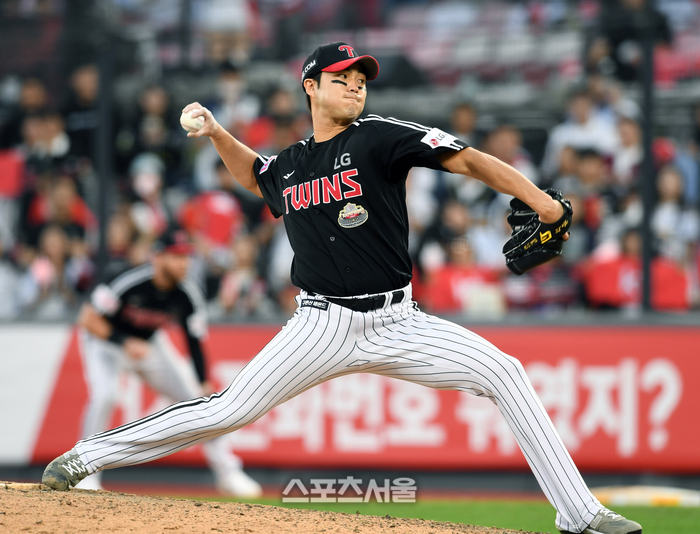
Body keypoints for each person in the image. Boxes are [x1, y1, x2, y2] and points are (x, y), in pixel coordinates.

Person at [43, 42, 641, 534]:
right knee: (229, 409)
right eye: (342, 78)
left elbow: (467, 159)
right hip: (320, 324)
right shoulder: (292, 164)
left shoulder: (379, 136)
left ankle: (580, 514)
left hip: (399, 321)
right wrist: (220, 132)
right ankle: (85, 456)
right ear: (311, 86)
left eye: (361, 80)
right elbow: (257, 176)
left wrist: (542, 203)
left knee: (505, 372)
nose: (355, 86)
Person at [65, 228, 262, 497]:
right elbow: (88, 319)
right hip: (106, 343)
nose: (184, 263)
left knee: (199, 402)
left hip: (150, 345)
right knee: (105, 396)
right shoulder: (130, 280)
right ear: (158, 257)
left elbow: (194, 340)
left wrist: (203, 380)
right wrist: (124, 340)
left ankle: (228, 473)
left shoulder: (187, 292)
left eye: (186, 257)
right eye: (176, 256)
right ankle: (83, 471)